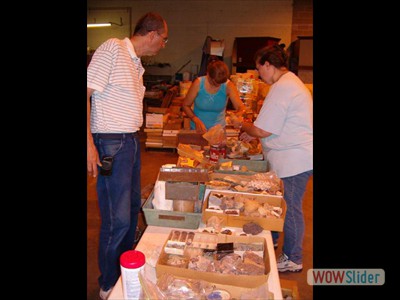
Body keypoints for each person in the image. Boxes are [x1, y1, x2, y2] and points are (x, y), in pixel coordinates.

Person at [87, 12, 168, 300]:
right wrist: (88, 144)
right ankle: (108, 283)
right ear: (151, 34)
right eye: (164, 39)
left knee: (132, 210)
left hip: (130, 142)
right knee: (116, 219)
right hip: (111, 143)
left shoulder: (135, 63)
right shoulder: (112, 48)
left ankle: (125, 271)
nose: (163, 45)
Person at [233, 44, 313, 273]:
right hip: (291, 157)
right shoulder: (288, 83)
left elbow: (263, 130)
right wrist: (254, 130)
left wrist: (244, 125)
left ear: (268, 65)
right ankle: (275, 239)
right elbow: (272, 126)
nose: (259, 74)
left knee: (291, 207)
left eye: (259, 69)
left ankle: (293, 258)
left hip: (295, 161)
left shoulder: (284, 87)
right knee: (282, 204)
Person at [182, 59, 246, 134]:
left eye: (220, 83)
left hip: (218, 132)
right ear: (208, 75)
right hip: (198, 130)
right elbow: (185, 105)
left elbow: (241, 107)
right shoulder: (198, 83)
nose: (218, 85)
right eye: (215, 82)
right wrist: (195, 120)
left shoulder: (228, 85)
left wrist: (236, 116)